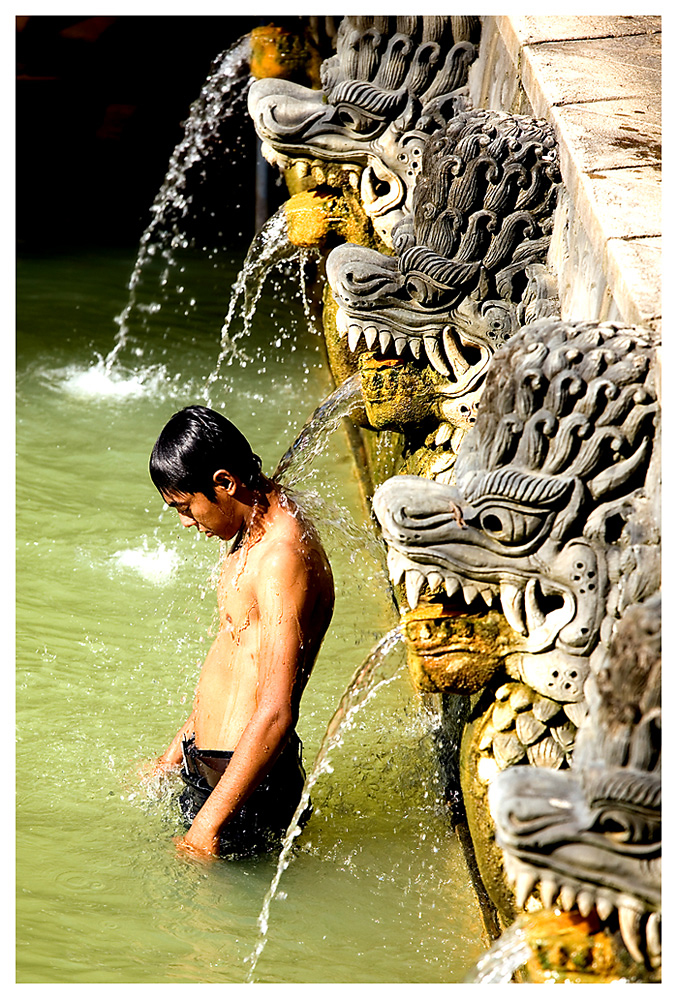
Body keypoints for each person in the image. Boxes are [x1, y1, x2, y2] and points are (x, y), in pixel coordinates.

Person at [147, 405, 334, 858]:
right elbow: (234, 656)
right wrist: (173, 757)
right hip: (216, 775)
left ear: (225, 483)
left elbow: (275, 711)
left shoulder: (280, 558)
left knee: (213, 928)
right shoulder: (252, 524)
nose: (186, 523)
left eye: (186, 506)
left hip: (247, 794)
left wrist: (205, 828)